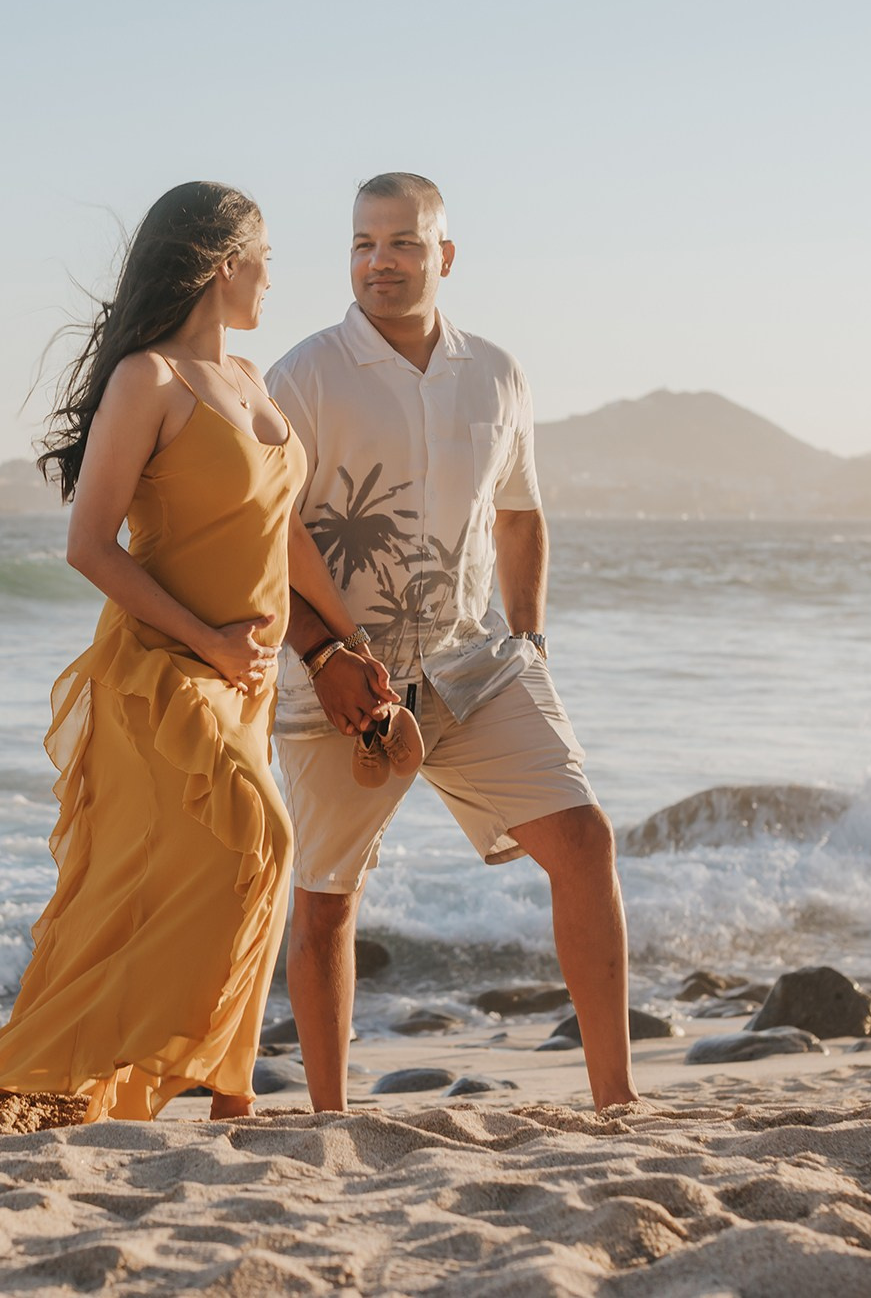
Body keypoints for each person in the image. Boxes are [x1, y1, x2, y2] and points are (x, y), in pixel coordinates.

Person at [0, 181, 385, 1130]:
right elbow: (89, 544)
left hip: (246, 679)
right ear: (228, 265)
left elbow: (284, 531)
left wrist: (344, 640)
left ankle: (219, 1089)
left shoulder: (253, 383)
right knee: (265, 842)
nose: (272, 279)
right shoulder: (150, 381)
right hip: (165, 666)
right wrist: (208, 640)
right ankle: (169, 1078)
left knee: (220, 869)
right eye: (265, 260)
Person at [269, 173, 640, 1111]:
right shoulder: (305, 375)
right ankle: (327, 1122)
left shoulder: (498, 374)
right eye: (361, 243)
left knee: (585, 840)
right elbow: (265, 535)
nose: (378, 261)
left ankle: (617, 1103)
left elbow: (520, 515)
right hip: (338, 677)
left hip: (474, 664)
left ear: (445, 254)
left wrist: (534, 641)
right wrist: (321, 653)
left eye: (399, 242)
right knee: (327, 896)